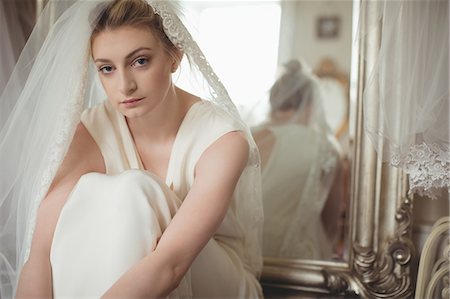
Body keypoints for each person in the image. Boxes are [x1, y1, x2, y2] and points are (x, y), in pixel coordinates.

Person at [0, 0, 263, 298]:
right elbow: (39, 255)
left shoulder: (223, 139)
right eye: (107, 68)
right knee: (84, 198)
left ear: (174, 56)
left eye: (140, 61)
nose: (124, 86)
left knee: (136, 190)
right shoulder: (90, 131)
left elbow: (171, 265)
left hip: (217, 282)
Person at [252, 60, 345, 260]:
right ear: (310, 104)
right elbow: (332, 218)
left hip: (246, 251)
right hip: (297, 259)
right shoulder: (326, 147)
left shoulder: (247, 136)